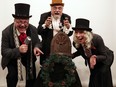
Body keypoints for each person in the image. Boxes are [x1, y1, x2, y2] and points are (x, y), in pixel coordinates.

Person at [1, 3, 43, 87]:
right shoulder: (6, 32)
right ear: (14, 21)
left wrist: (36, 47)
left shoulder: (33, 29)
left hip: (29, 58)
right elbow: (4, 51)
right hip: (12, 59)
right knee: (12, 76)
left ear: (28, 21)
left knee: (32, 77)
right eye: (19, 21)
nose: (22, 25)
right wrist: (18, 50)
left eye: (25, 22)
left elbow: (38, 42)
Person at [72, 18, 114, 87]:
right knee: (94, 77)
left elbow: (104, 56)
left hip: (105, 59)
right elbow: (81, 51)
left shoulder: (97, 39)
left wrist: (94, 57)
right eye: (76, 32)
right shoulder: (75, 43)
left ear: (87, 33)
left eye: (81, 32)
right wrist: (73, 55)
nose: (78, 35)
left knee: (103, 76)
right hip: (92, 60)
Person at [37, 0, 73, 65]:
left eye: (59, 8)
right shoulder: (44, 16)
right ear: (51, 8)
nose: (57, 10)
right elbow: (39, 31)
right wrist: (46, 25)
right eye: (55, 8)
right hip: (47, 49)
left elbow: (70, 34)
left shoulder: (66, 17)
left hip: (62, 50)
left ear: (62, 9)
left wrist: (67, 27)